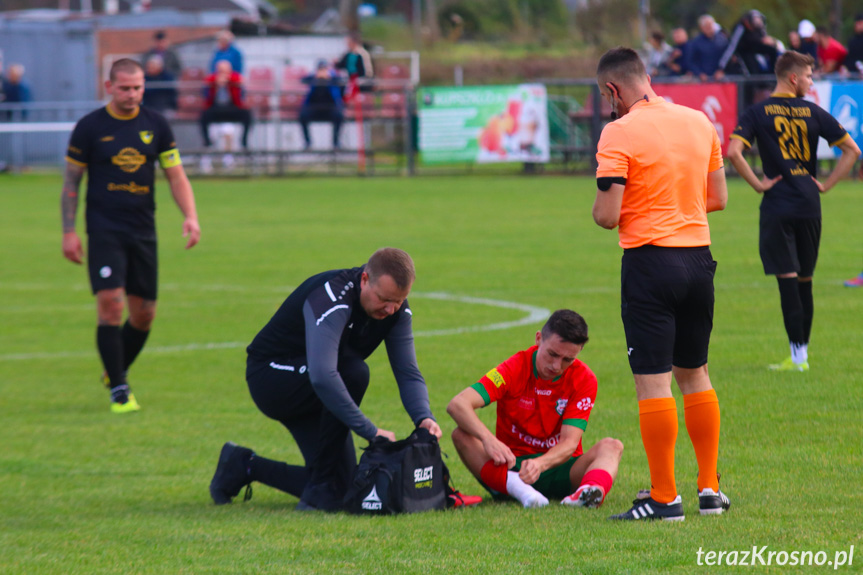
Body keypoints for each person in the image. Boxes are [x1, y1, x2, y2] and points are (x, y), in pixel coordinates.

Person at [592, 47, 730, 521]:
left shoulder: (618, 130)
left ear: (613, 90)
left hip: (651, 265)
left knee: (653, 385)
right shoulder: (698, 122)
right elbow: (718, 198)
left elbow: (607, 216)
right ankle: (710, 490)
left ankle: (665, 496)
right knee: (696, 375)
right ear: (647, 77)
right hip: (699, 260)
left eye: (606, 97)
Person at [208, 248, 444, 511]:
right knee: (354, 372)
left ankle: (244, 465)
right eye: (384, 299)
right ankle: (318, 490)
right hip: (272, 378)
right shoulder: (333, 297)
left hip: (321, 387)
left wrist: (424, 417)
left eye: (399, 301)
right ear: (365, 280)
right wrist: (371, 432)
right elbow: (323, 375)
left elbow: (408, 372)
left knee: (342, 488)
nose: (390, 309)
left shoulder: (395, 309)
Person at [60, 58, 200, 413]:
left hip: (143, 229)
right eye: (124, 87)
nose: (132, 94)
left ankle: (114, 368)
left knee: (144, 314)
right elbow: (71, 183)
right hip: (104, 228)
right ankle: (120, 388)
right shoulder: (90, 127)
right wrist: (69, 232)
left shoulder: (156, 125)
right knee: (110, 304)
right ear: (109, 87)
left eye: (137, 87)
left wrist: (191, 216)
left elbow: (176, 175)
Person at [726, 51, 860, 371]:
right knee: (805, 281)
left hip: (778, 204)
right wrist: (826, 185)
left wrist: (759, 184)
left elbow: (733, 152)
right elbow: (852, 151)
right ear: (794, 78)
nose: (812, 82)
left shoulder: (757, 112)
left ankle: (797, 357)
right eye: (810, 77)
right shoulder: (813, 111)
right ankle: (803, 358)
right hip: (809, 203)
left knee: (787, 280)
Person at [447, 310, 624, 509]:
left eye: (568, 360)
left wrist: (540, 464)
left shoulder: (584, 379)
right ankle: (517, 487)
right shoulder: (513, 368)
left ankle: (588, 493)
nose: (557, 366)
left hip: (559, 469)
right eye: (553, 354)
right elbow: (458, 404)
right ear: (538, 338)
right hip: (512, 467)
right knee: (461, 435)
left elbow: (569, 444)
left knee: (613, 446)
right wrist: (488, 439)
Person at [200, 60, 252, 151]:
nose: (223, 74)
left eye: (225, 71)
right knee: (204, 115)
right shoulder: (212, 79)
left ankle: (244, 142)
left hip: (232, 107)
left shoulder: (234, 78)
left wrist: (228, 81)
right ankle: (207, 142)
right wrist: (216, 83)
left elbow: (241, 81)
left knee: (247, 114)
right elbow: (206, 84)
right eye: (221, 71)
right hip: (216, 108)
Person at [299, 60, 344, 150]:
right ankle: (308, 143)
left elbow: (341, 83)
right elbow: (302, 80)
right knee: (302, 116)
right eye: (320, 69)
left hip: (329, 109)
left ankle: (336, 143)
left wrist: (329, 78)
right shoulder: (313, 78)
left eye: (324, 69)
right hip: (315, 109)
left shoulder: (333, 78)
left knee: (339, 116)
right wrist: (316, 78)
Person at [687, 15, 729, 82]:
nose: (710, 27)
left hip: (720, 80)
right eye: (707, 25)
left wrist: (721, 70)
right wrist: (699, 73)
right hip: (703, 81)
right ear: (702, 27)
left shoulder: (722, 40)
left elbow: (727, 57)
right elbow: (691, 61)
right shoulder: (696, 42)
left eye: (711, 25)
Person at [335, 32, 374, 96]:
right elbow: (341, 64)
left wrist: (364, 78)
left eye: (348, 42)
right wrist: (336, 63)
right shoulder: (348, 54)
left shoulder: (362, 53)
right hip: (350, 79)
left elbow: (368, 70)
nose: (347, 44)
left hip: (361, 79)